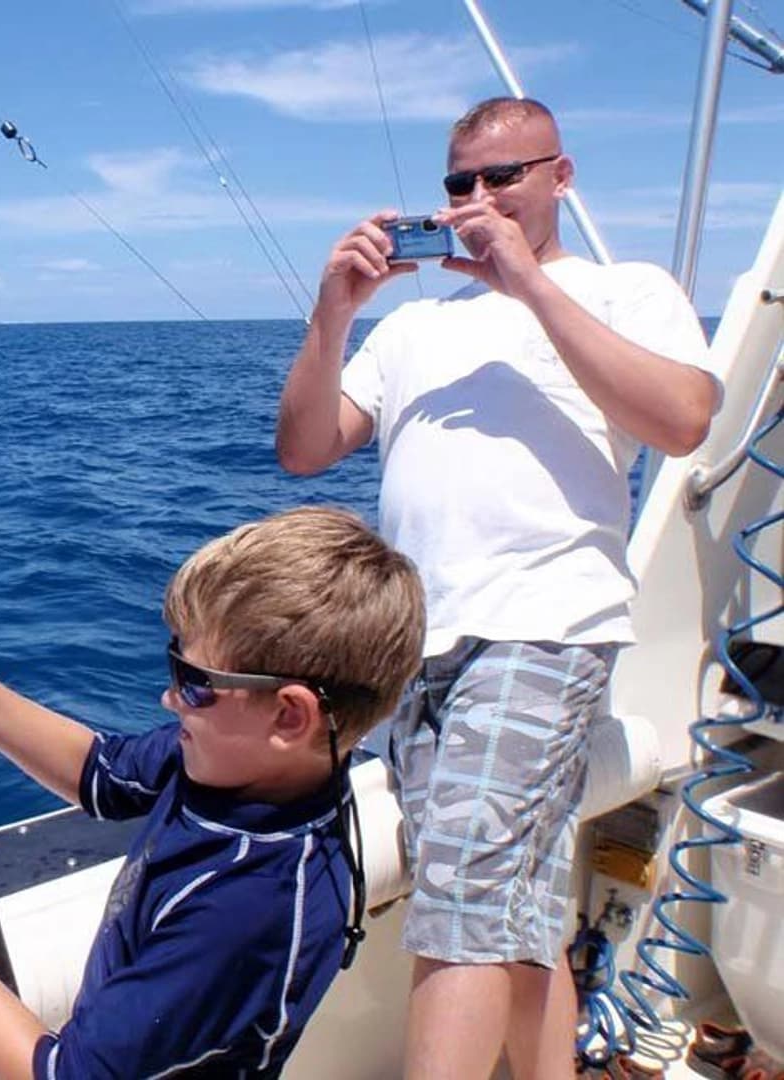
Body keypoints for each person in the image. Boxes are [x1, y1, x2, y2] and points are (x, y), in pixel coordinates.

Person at [275, 97, 719, 1080]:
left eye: (502, 177)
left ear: (559, 177)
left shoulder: (624, 291)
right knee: (508, 901)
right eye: (457, 184)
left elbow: (684, 418)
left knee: (464, 887)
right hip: (412, 650)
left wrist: (525, 282)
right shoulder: (411, 330)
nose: (477, 199)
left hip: (543, 628)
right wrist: (334, 311)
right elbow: (303, 448)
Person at [0, 507, 425, 1079]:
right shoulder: (240, 763)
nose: (170, 698)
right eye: (175, 658)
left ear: (289, 715)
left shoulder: (245, 909)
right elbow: (102, 774)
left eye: (195, 682)